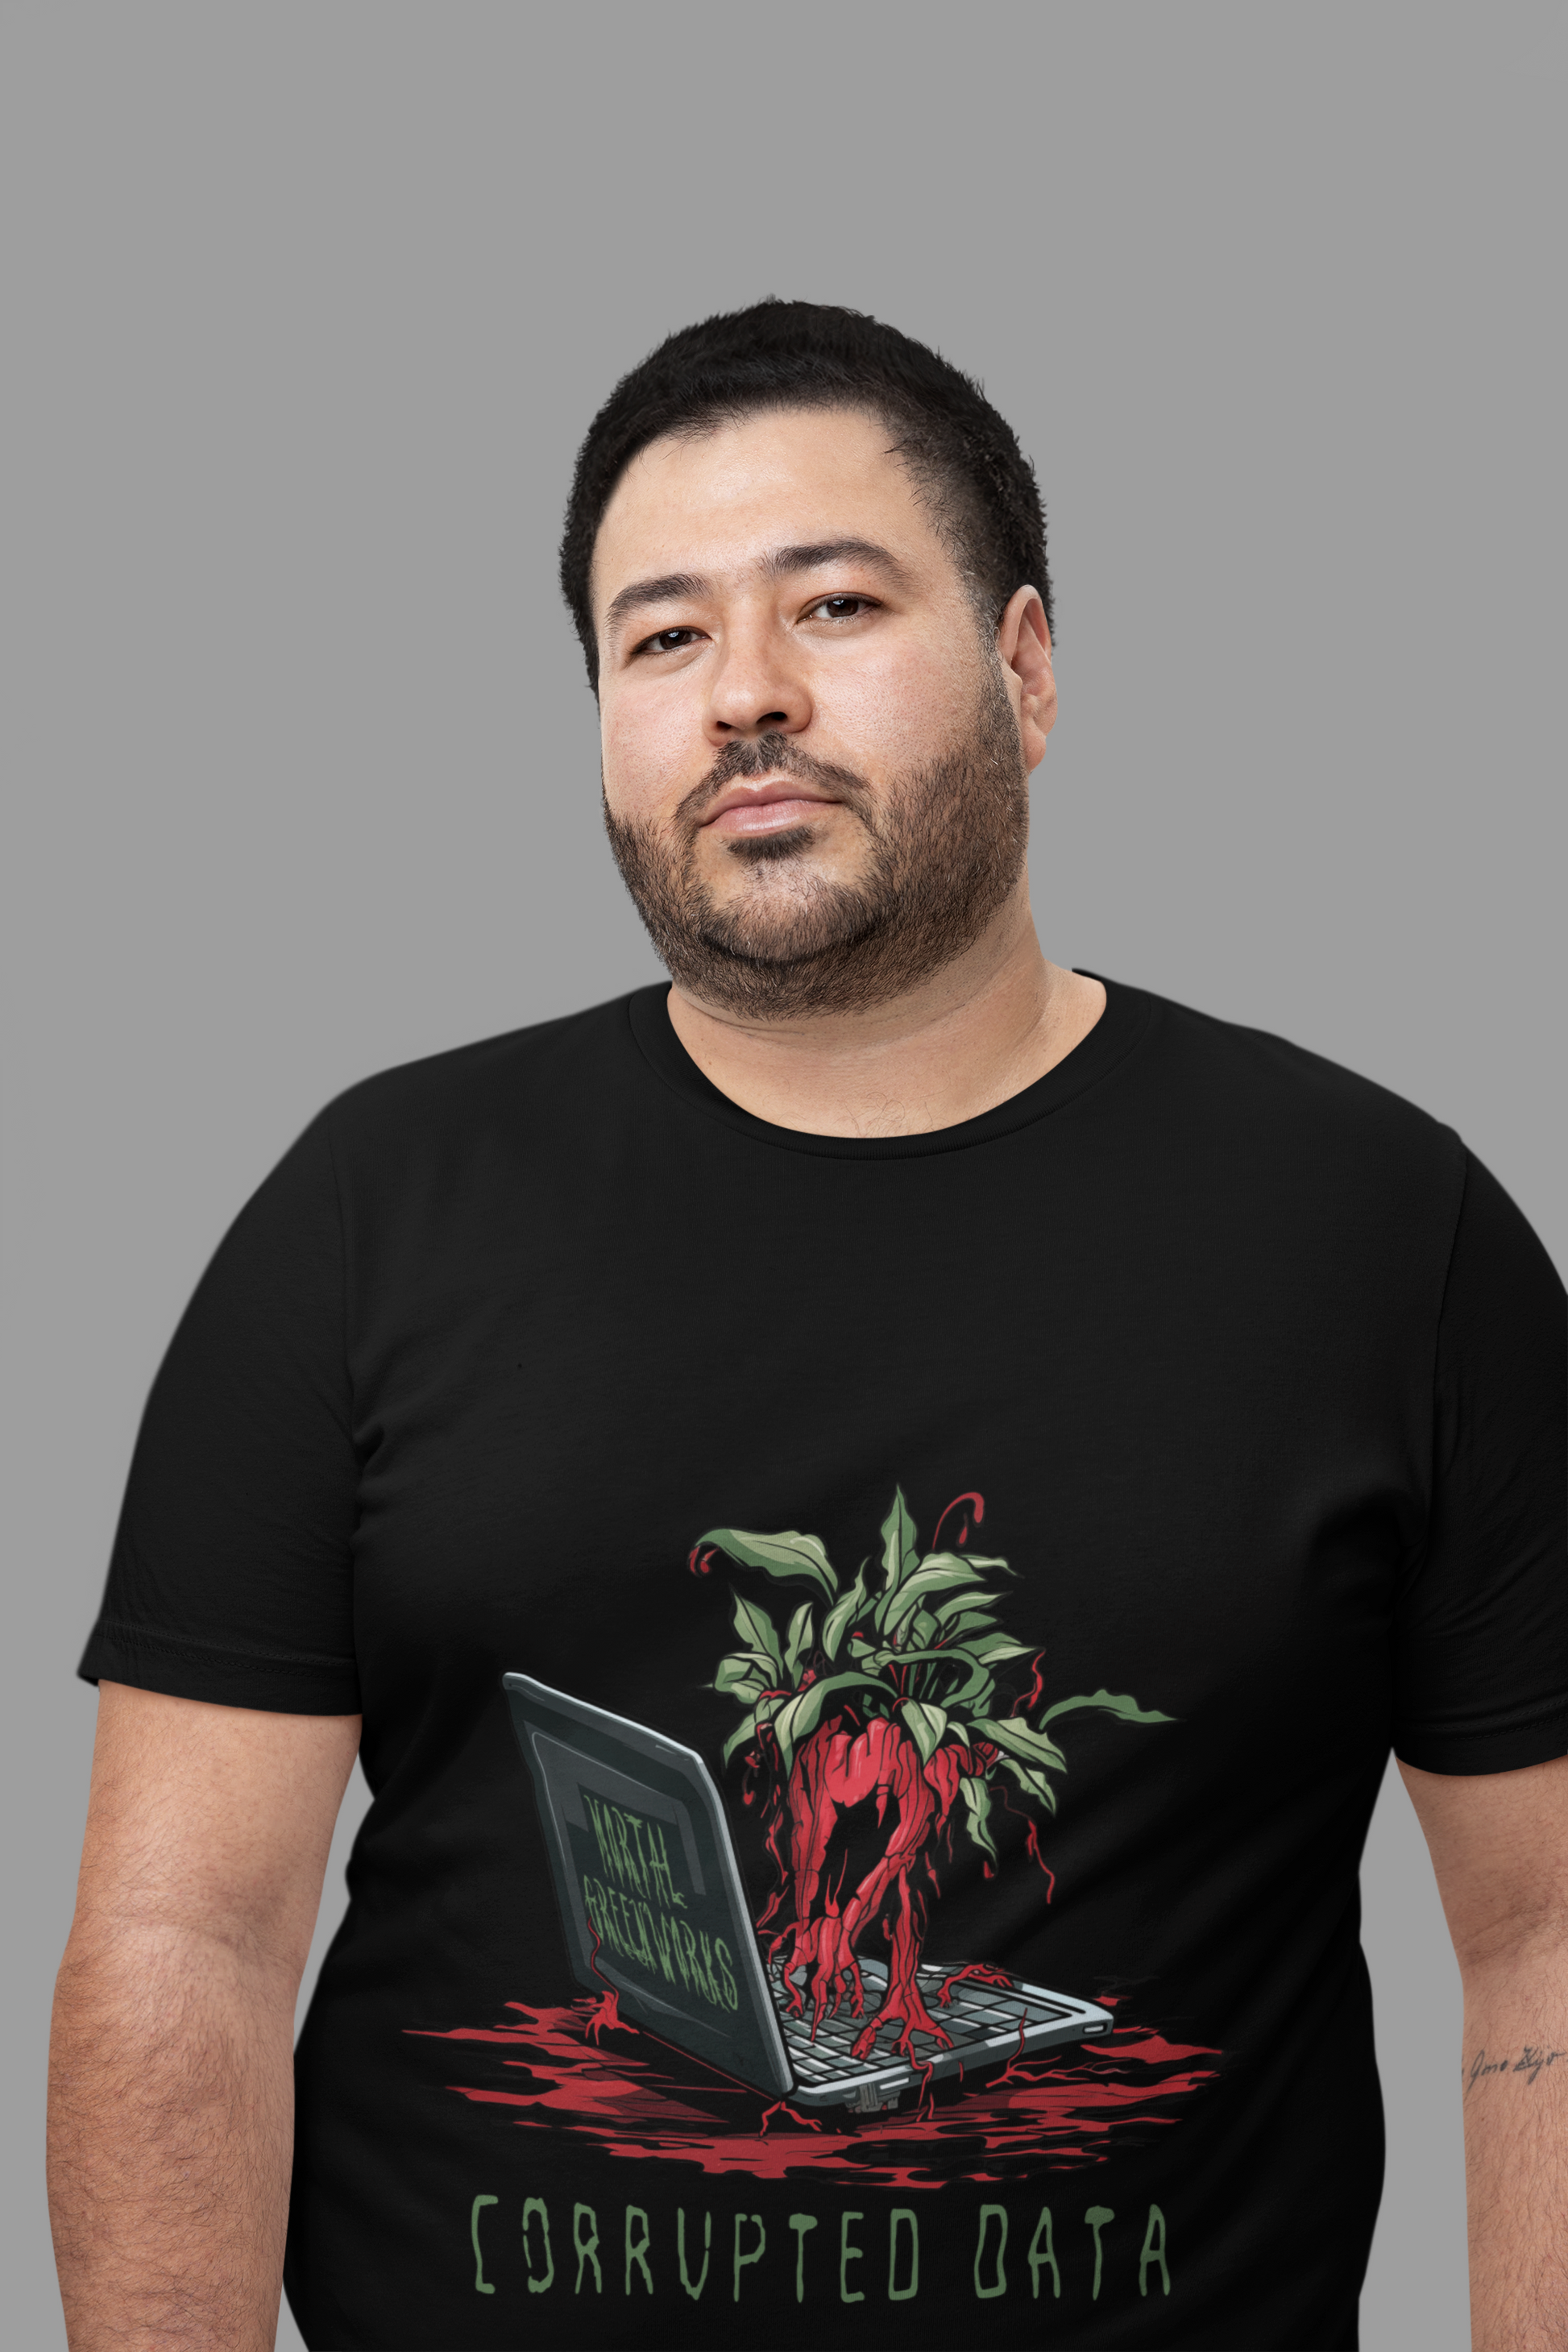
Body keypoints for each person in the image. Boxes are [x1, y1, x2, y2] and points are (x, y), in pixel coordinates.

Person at [48, 299, 1565, 2352]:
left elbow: (1544, 1935)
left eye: (832, 604)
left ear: (1027, 666)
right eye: (660, 637)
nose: (743, 696)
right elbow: (183, 1939)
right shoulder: (370, 1209)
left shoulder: (1387, 1228)